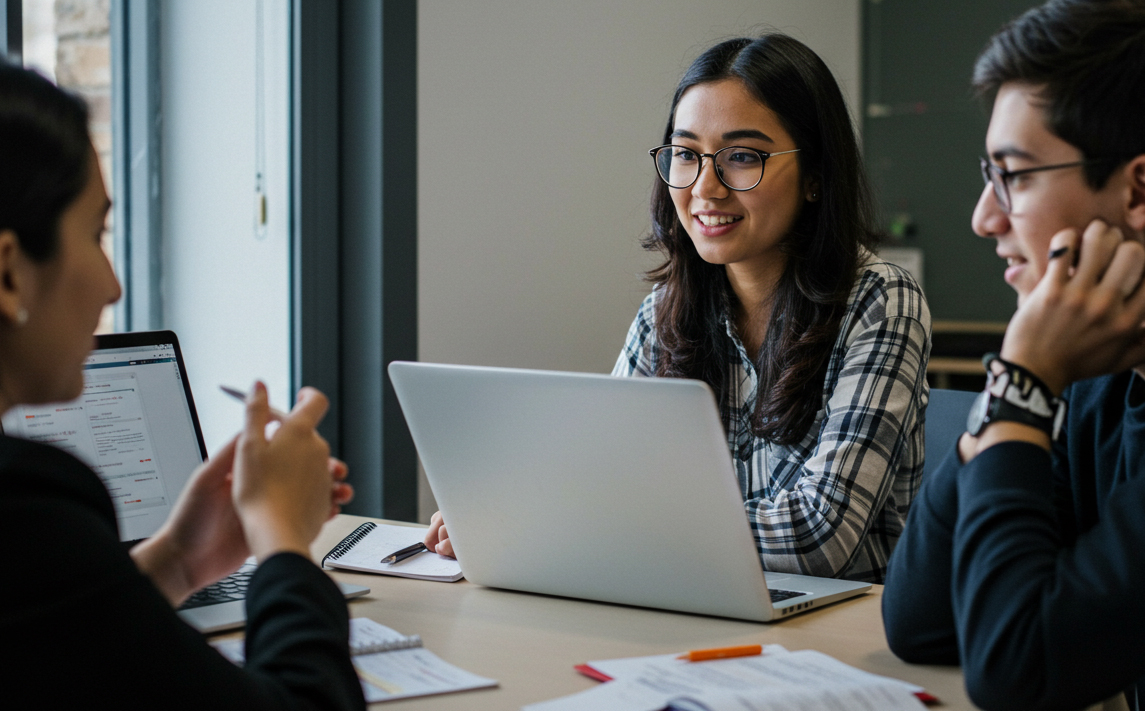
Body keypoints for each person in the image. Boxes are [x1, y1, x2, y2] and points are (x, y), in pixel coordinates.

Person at [427, 34, 931, 584]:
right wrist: (512, 514)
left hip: (837, 636)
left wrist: (585, 523)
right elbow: (601, 477)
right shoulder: (664, 312)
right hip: (694, 606)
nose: (704, 188)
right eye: (686, 155)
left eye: (742, 157)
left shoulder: (882, 303)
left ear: (815, 175)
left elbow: (820, 535)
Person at [0, 63, 365, 709]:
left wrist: (176, 560)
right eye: (96, 233)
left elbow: (47, 636)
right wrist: (282, 536)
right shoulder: (25, 506)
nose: (113, 285)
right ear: (8, 274)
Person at [881, 1, 1145, 709]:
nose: (983, 217)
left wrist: (1024, 382)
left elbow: (1018, 668)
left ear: (1140, 190)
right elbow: (920, 621)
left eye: (1014, 175)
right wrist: (1015, 392)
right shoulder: (1097, 376)